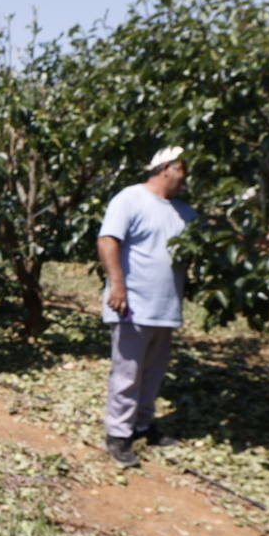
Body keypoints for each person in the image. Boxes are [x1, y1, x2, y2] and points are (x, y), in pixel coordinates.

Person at [96, 146, 198, 467]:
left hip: (165, 308)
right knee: (127, 372)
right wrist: (118, 286)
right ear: (167, 167)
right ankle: (118, 434)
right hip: (132, 304)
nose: (187, 176)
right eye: (183, 168)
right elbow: (108, 240)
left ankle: (143, 425)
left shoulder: (184, 211)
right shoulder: (131, 198)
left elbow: (209, 240)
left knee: (153, 372)